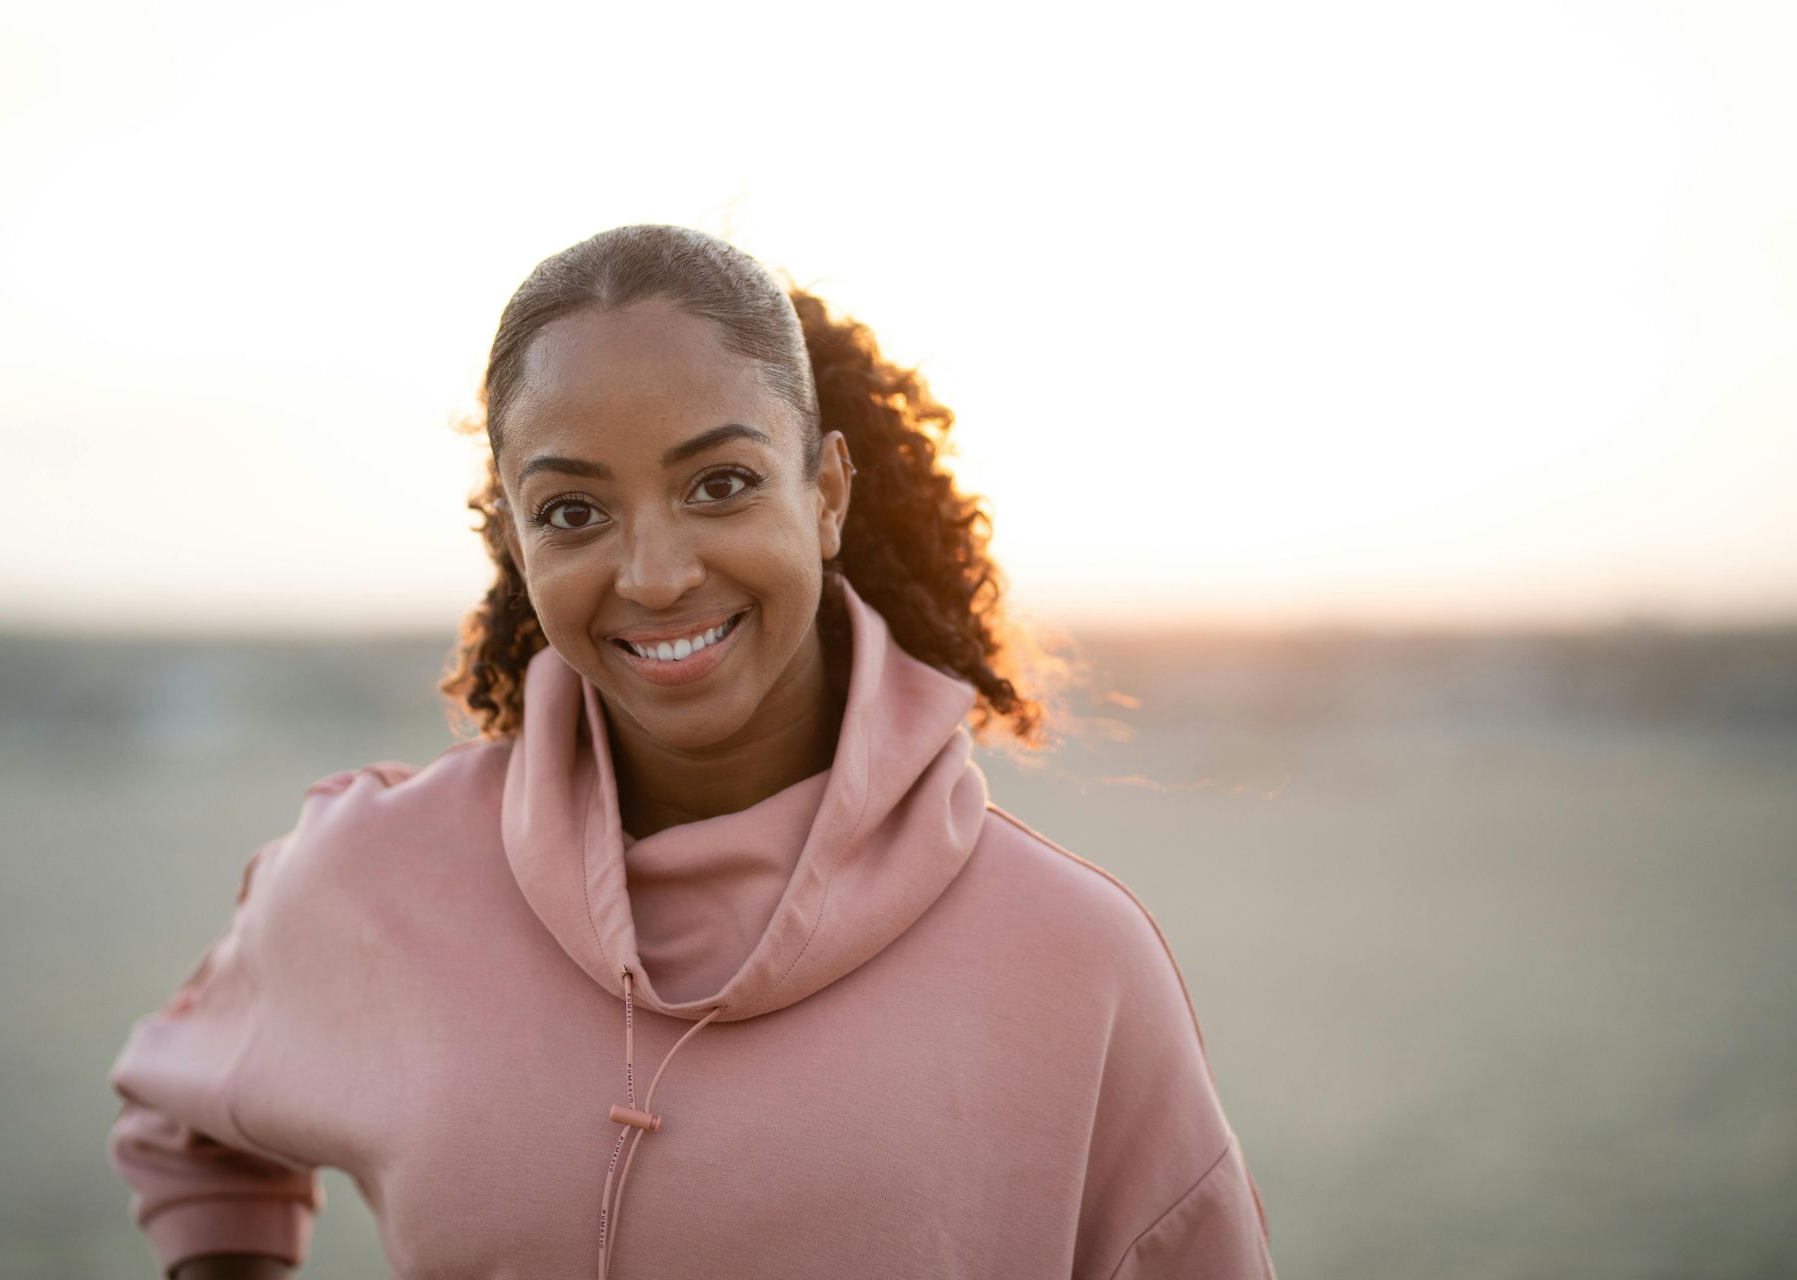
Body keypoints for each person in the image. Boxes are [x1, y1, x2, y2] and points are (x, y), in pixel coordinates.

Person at [105, 224, 1277, 1279]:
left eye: (720, 484)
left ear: (824, 494)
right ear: (513, 537)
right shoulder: (377, 874)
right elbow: (186, 1121)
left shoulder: (1072, 960)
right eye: (573, 510)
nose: (656, 573)